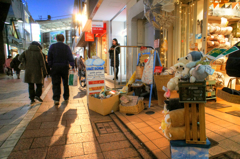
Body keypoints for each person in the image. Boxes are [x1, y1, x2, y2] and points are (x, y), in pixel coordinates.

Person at [48, 34, 75, 105]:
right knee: (65, 83)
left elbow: (49, 58)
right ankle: (66, 97)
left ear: (56, 39)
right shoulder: (66, 47)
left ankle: (56, 99)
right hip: (64, 67)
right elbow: (70, 57)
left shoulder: (52, 46)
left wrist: (50, 66)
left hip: (55, 67)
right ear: (63, 39)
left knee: (56, 83)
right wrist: (72, 66)